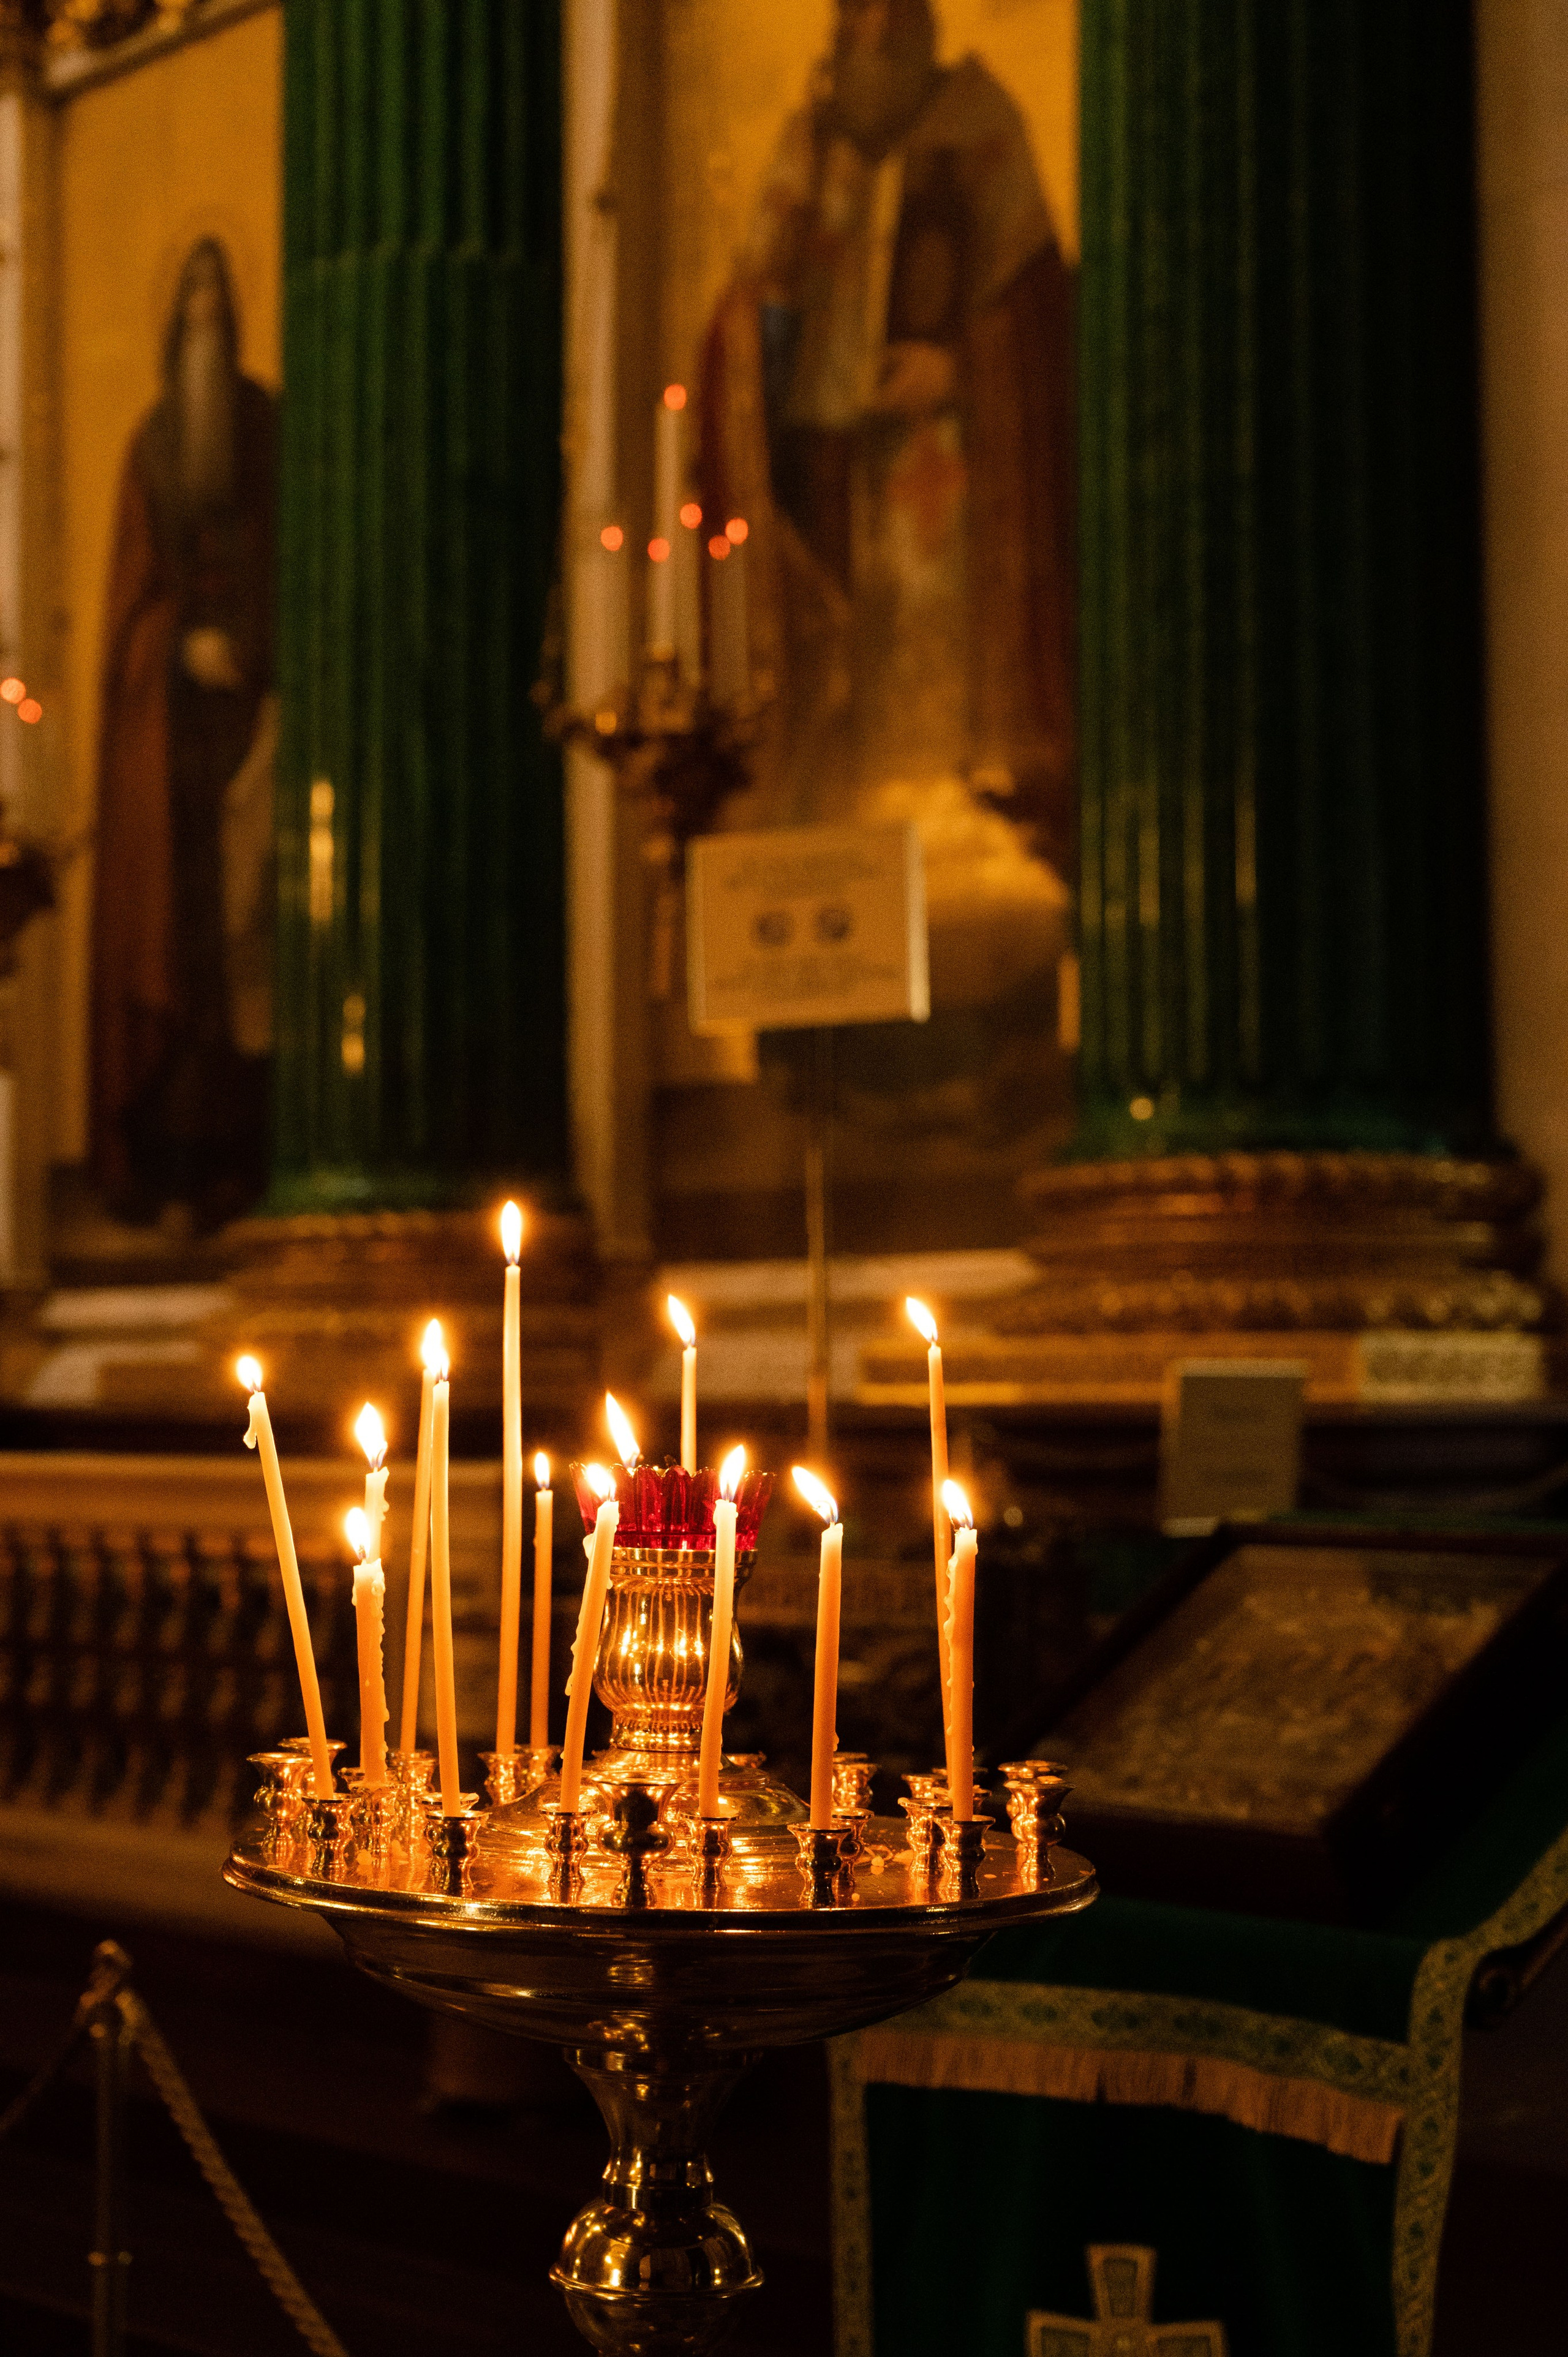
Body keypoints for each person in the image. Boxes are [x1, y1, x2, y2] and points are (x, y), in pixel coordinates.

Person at [90, 237, 277, 1229]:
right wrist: (177, 652)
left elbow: (295, 553)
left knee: (256, 927)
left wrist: (253, 648)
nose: (206, 307)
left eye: (220, 290)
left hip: (259, 718)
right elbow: (133, 597)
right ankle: (177, 1165)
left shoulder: (265, 426)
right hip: (173, 740)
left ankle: (253, 1154)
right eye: (192, 291)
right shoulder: (153, 443)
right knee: (183, 938)